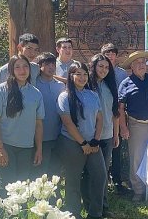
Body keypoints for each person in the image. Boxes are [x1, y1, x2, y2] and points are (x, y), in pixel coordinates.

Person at [0, 55, 44, 198]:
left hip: (25, 148)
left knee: (22, 191)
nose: (22, 70)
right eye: (17, 67)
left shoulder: (35, 94)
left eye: (25, 66)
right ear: (11, 70)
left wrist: (39, 149)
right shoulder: (0, 91)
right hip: (4, 146)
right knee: (5, 189)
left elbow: (38, 124)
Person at [57, 61, 106, 219]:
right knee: (73, 179)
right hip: (71, 143)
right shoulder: (64, 97)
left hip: (92, 144)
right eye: (78, 74)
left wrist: (95, 141)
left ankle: (95, 213)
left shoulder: (92, 95)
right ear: (71, 76)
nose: (82, 77)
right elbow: (68, 122)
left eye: (85, 74)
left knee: (100, 176)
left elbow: (100, 119)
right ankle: (73, 213)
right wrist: (82, 143)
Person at [118, 51, 148, 202]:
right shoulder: (125, 83)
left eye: (143, 62)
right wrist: (123, 128)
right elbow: (120, 108)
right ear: (132, 66)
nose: (141, 65)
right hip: (135, 126)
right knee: (136, 159)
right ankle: (138, 190)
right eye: (138, 63)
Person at [84, 53, 119, 217]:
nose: (104, 70)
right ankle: (89, 206)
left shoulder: (110, 86)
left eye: (106, 67)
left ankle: (103, 207)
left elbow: (115, 113)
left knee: (103, 174)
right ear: (93, 67)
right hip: (90, 138)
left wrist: (116, 134)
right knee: (91, 174)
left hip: (107, 136)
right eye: (100, 66)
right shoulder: (86, 85)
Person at [101, 43, 130, 194]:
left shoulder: (122, 74)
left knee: (117, 150)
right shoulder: (97, 72)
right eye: (107, 53)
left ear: (116, 56)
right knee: (101, 152)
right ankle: (102, 183)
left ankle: (118, 181)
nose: (110, 55)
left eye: (113, 53)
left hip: (116, 116)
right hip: (101, 118)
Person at [32, 52, 65, 180]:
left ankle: (55, 197)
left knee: (55, 172)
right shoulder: (34, 85)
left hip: (57, 136)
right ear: (39, 66)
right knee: (41, 172)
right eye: (47, 64)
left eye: (53, 64)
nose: (51, 67)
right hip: (40, 137)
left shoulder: (60, 86)